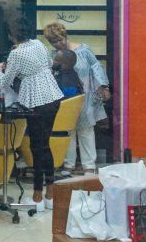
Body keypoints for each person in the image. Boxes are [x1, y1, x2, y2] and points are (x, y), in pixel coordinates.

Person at [3, 12, 66, 211]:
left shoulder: (16, 53)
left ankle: (38, 194)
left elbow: (7, 81)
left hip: (36, 101)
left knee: (37, 148)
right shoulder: (38, 44)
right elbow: (47, 64)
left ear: (12, 35)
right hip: (53, 97)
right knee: (44, 144)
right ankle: (50, 190)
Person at [44, 21, 107, 174]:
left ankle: (89, 166)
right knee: (68, 130)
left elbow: (96, 66)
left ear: (66, 36)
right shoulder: (52, 55)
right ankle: (68, 164)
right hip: (64, 97)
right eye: (54, 42)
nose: (58, 44)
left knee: (86, 129)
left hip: (85, 96)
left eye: (60, 40)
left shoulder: (84, 50)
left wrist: (103, 86)